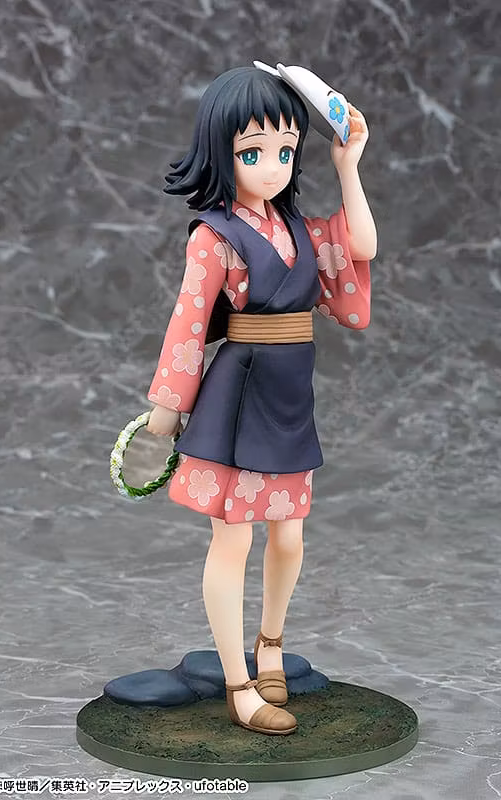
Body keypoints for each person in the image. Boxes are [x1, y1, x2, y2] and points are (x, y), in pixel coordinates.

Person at [145, 66, 376, 735]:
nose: (272, 167)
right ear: (221, 152)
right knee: (232, 540)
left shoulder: (299, 228)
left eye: (284, 151)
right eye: (252, 153)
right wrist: (168, 405)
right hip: (240, 391)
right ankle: (238, 683)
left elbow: (361, 245)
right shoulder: (214, 235)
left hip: (290, 390)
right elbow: (189, 322)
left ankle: (270, 644)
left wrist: (348, 165)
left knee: (290, 535)